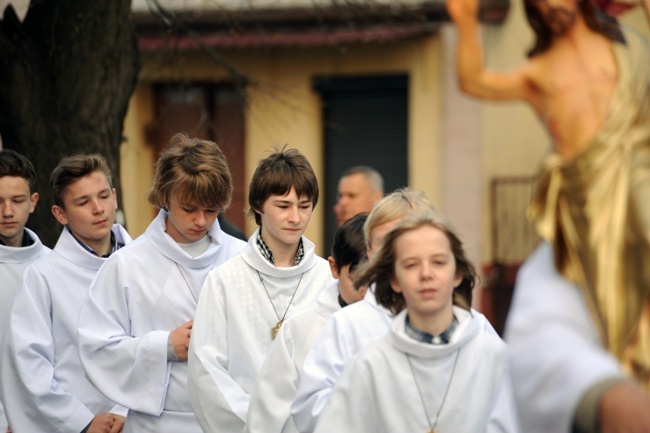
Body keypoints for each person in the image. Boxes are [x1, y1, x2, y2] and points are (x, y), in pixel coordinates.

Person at [447, 0, 650, 430]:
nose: (552, 5)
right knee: (621, 300)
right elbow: (474, 80)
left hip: (639, 175)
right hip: (591, 199)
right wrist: (466, 23)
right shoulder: (539, 71)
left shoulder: (627, 44)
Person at [76, 134, 246, 433]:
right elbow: (97, 348)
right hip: (159, 424)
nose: (201, 221)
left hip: (233, 421)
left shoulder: (242, 258)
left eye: (211, 209)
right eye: (189, 208)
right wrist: (165, 346)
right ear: (166, 197)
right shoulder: (127, 264)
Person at [313, 211, 519, 433]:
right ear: (394, 279)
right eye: (411, 265)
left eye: (439, 262)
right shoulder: (370, 365)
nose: (426, 274)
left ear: (458, 273)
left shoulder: (493, 357)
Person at [187, 146, 334, 433]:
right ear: (257, 205)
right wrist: (258, 424)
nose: (296, 218)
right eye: (283, 206)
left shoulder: (327, 279)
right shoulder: (224, 280)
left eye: (304, 206)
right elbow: (207, 372)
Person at [0, 153, 131, 433]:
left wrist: (124, 410)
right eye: (83, 202)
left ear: (115, 197)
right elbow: (29, 363)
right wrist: (81, 422)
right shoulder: (43, 277)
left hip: (140, 418)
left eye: (103, 196)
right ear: (60, 214)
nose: (98, 208)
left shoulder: (144, 264)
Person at [291, 188, 437, 433]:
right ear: (370, 251)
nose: (399, 255)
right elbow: (310, 409)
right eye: (386, 244)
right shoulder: (346, 326)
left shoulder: (472, 327)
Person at [246, 213, 368, 433]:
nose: (367, 291)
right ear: (334, 268)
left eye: (377, 279)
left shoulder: (399, 325)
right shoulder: (300, 329)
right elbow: (267, 413)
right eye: (358, 280)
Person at [0, 149, 50, 432]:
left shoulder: (53, 265)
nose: (7, 212)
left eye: (17, 201)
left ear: (33, 203)